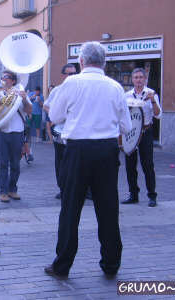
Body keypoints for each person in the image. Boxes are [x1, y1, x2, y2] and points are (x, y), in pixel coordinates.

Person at [45, 41, 131, 279]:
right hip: (106, 150)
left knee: (70, 209)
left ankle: (62, 265)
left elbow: (54, 115)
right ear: (104, 62)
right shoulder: (115, 87)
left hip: (77, 151)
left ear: (81, 62)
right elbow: (126, 125)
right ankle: (111, 264)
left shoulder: (71, 83)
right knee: (108, 209)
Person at [0, 70, 32, 203]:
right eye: (2, 78)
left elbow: (29, 111)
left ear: (13, 81)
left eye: (6, 78)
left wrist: (24, 99)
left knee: (15, 164)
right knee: (2, 164)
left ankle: (13, 189)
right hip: (2, 132)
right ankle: (3, 192)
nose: (4, 80)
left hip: (17, 133)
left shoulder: (20, 93)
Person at [121, 68, 162, 208]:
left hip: (145, 132)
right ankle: (133, 194)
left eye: (141, 77)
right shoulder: (126, 95)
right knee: (130, 166)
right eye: (136, 77)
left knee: (148, 165)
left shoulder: (151, 94)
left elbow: (158, 115)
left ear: (145, 79)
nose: (138, 80)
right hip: (130, 133)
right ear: (132, 80)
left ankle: (152, 196)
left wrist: (153, 102)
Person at [44, 64, 77, 199]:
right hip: (60, 130)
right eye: (69, 74)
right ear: (63, 75)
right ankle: (62, 189)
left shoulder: (80, 89)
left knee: (76, 162)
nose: (71, 77)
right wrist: (56, 115)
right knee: (61, 162)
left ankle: (81, 190)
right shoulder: (57, 90)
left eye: (74, 74)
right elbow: (46, 106)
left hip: (76, 132)